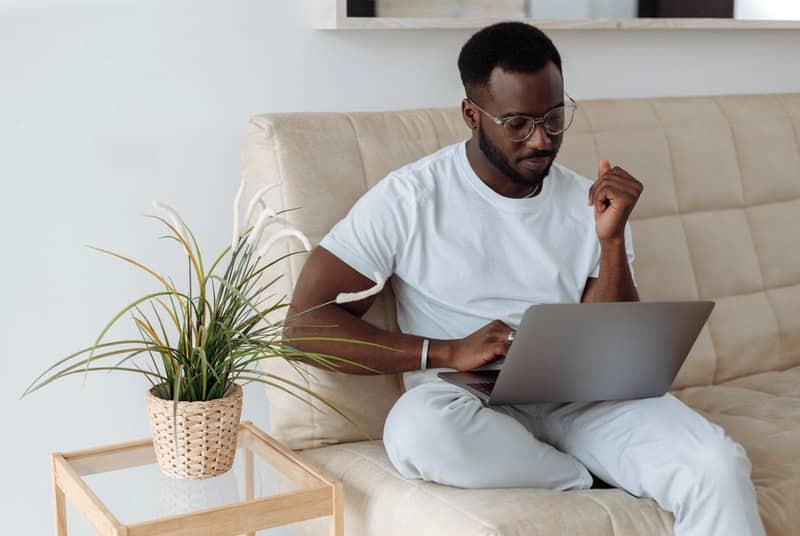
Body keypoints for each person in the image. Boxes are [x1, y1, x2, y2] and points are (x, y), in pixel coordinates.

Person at [283, 21, 764, 536]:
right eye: (517, 123)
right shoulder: (409, 199)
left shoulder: (589, 201)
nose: (541, 140)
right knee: (416, 431)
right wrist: (447, 351)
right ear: (472, 114)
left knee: (717, 464)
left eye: (554, 118)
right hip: (466, 400)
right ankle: (585, 476)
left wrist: (610, 242)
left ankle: (586, 462)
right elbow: (304, 329)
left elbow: (610, 342)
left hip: (580, 396)